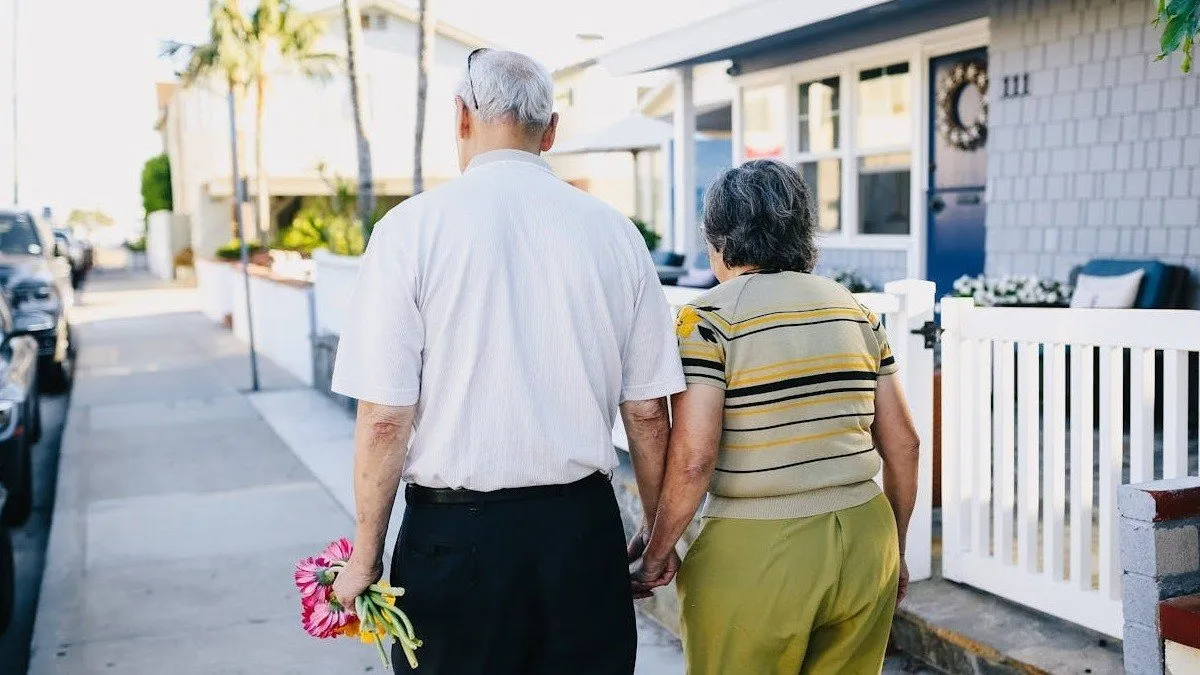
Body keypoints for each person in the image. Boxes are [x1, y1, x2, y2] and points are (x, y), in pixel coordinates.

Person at [328, 49, 685, 674]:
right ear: (550, 131)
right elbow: (650, 414)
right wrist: (658, 538)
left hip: (452, 542)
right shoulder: (616, 233)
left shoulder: (409, 231)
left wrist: (365, 557)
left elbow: (385, 418)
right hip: (580, 534)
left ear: (460, 118)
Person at [630, 160, 921, 674]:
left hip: (758, 551)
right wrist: (894, 548)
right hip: (865, 537)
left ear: (717, 238)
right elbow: (905, 444)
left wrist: (658, 549)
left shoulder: (707, 319)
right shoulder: (857, 312)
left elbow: (695, 459)